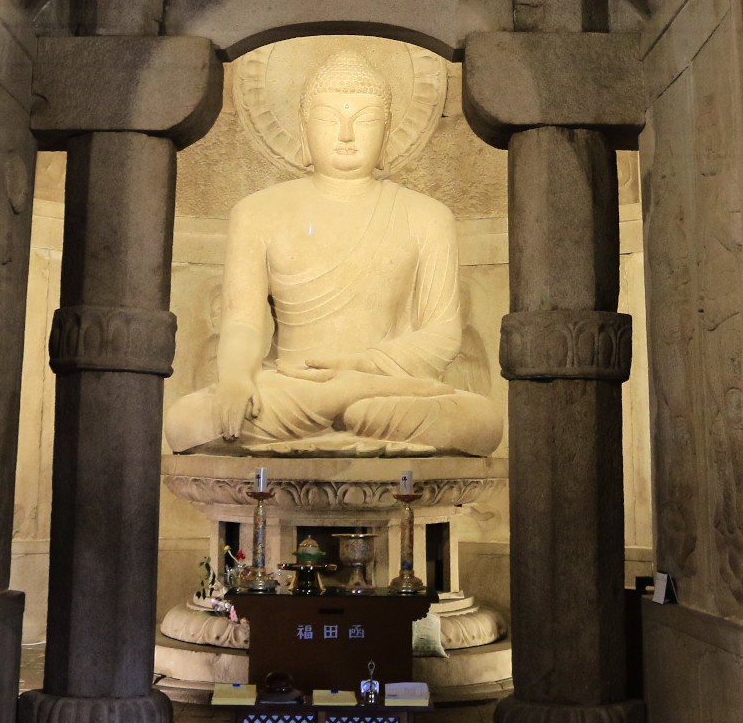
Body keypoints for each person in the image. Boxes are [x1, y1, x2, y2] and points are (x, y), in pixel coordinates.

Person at [166, 50, 502, 456]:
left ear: (388, 128)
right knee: (185, 420)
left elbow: (442, 334)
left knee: (482, 420)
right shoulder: (257, 212)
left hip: (385, 390)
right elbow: (244, 322)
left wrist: (360, 368)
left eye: (364, 121)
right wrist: (237, 379)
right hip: (295, 386)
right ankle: (344, 404)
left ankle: (350, 400)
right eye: (328, 120)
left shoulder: (427, 216)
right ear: (305, 130)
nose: (346, 135)